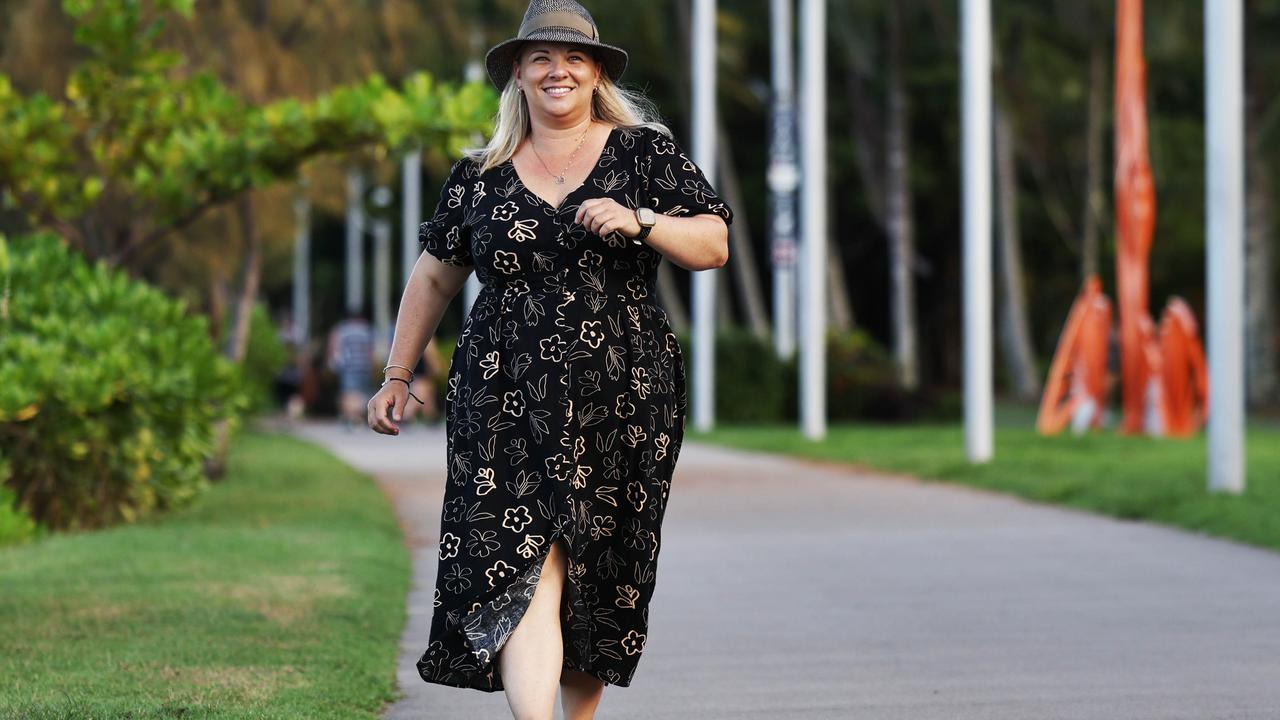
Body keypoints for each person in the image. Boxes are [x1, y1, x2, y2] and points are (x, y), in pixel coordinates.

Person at [367, 1, 732, 718]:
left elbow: (713, 243)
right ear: (517, 74)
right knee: (521, 559)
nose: (557, 69)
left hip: (623, 396)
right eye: (540, 57)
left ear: (596, 72)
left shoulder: (643, 152)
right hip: (502, 396)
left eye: (573, 57)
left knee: (602, 565)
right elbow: (436, 274)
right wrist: (397, 374)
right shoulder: (480, 172)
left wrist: (643, 221)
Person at [328, 311, 374, 430]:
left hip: (347, 367)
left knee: (349, 393)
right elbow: (370, 351)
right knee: (360, 393)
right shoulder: (366, 330)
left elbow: (335, 348)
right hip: (364, 366)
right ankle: (357, 417)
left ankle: (350, 417)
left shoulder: (342, 330)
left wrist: (334, 364)